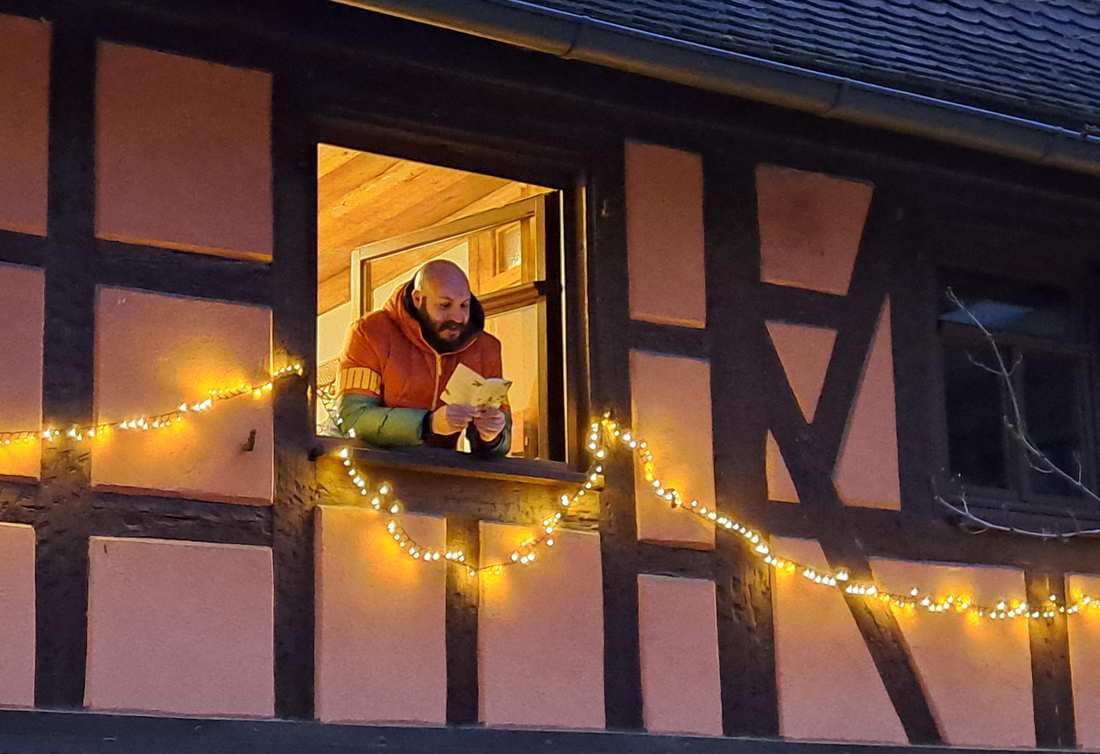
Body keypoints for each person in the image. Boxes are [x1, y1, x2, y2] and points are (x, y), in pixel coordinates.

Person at [334, 259, 511, 455]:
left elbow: (501, 441)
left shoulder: (486, 349)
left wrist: (492, 436)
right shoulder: (370, 333)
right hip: (371, 473)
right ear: (418, 299)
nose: (457, 318)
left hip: (446, 478)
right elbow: (351, 419)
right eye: (445, 305)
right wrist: (428, 423)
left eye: (464, 305)